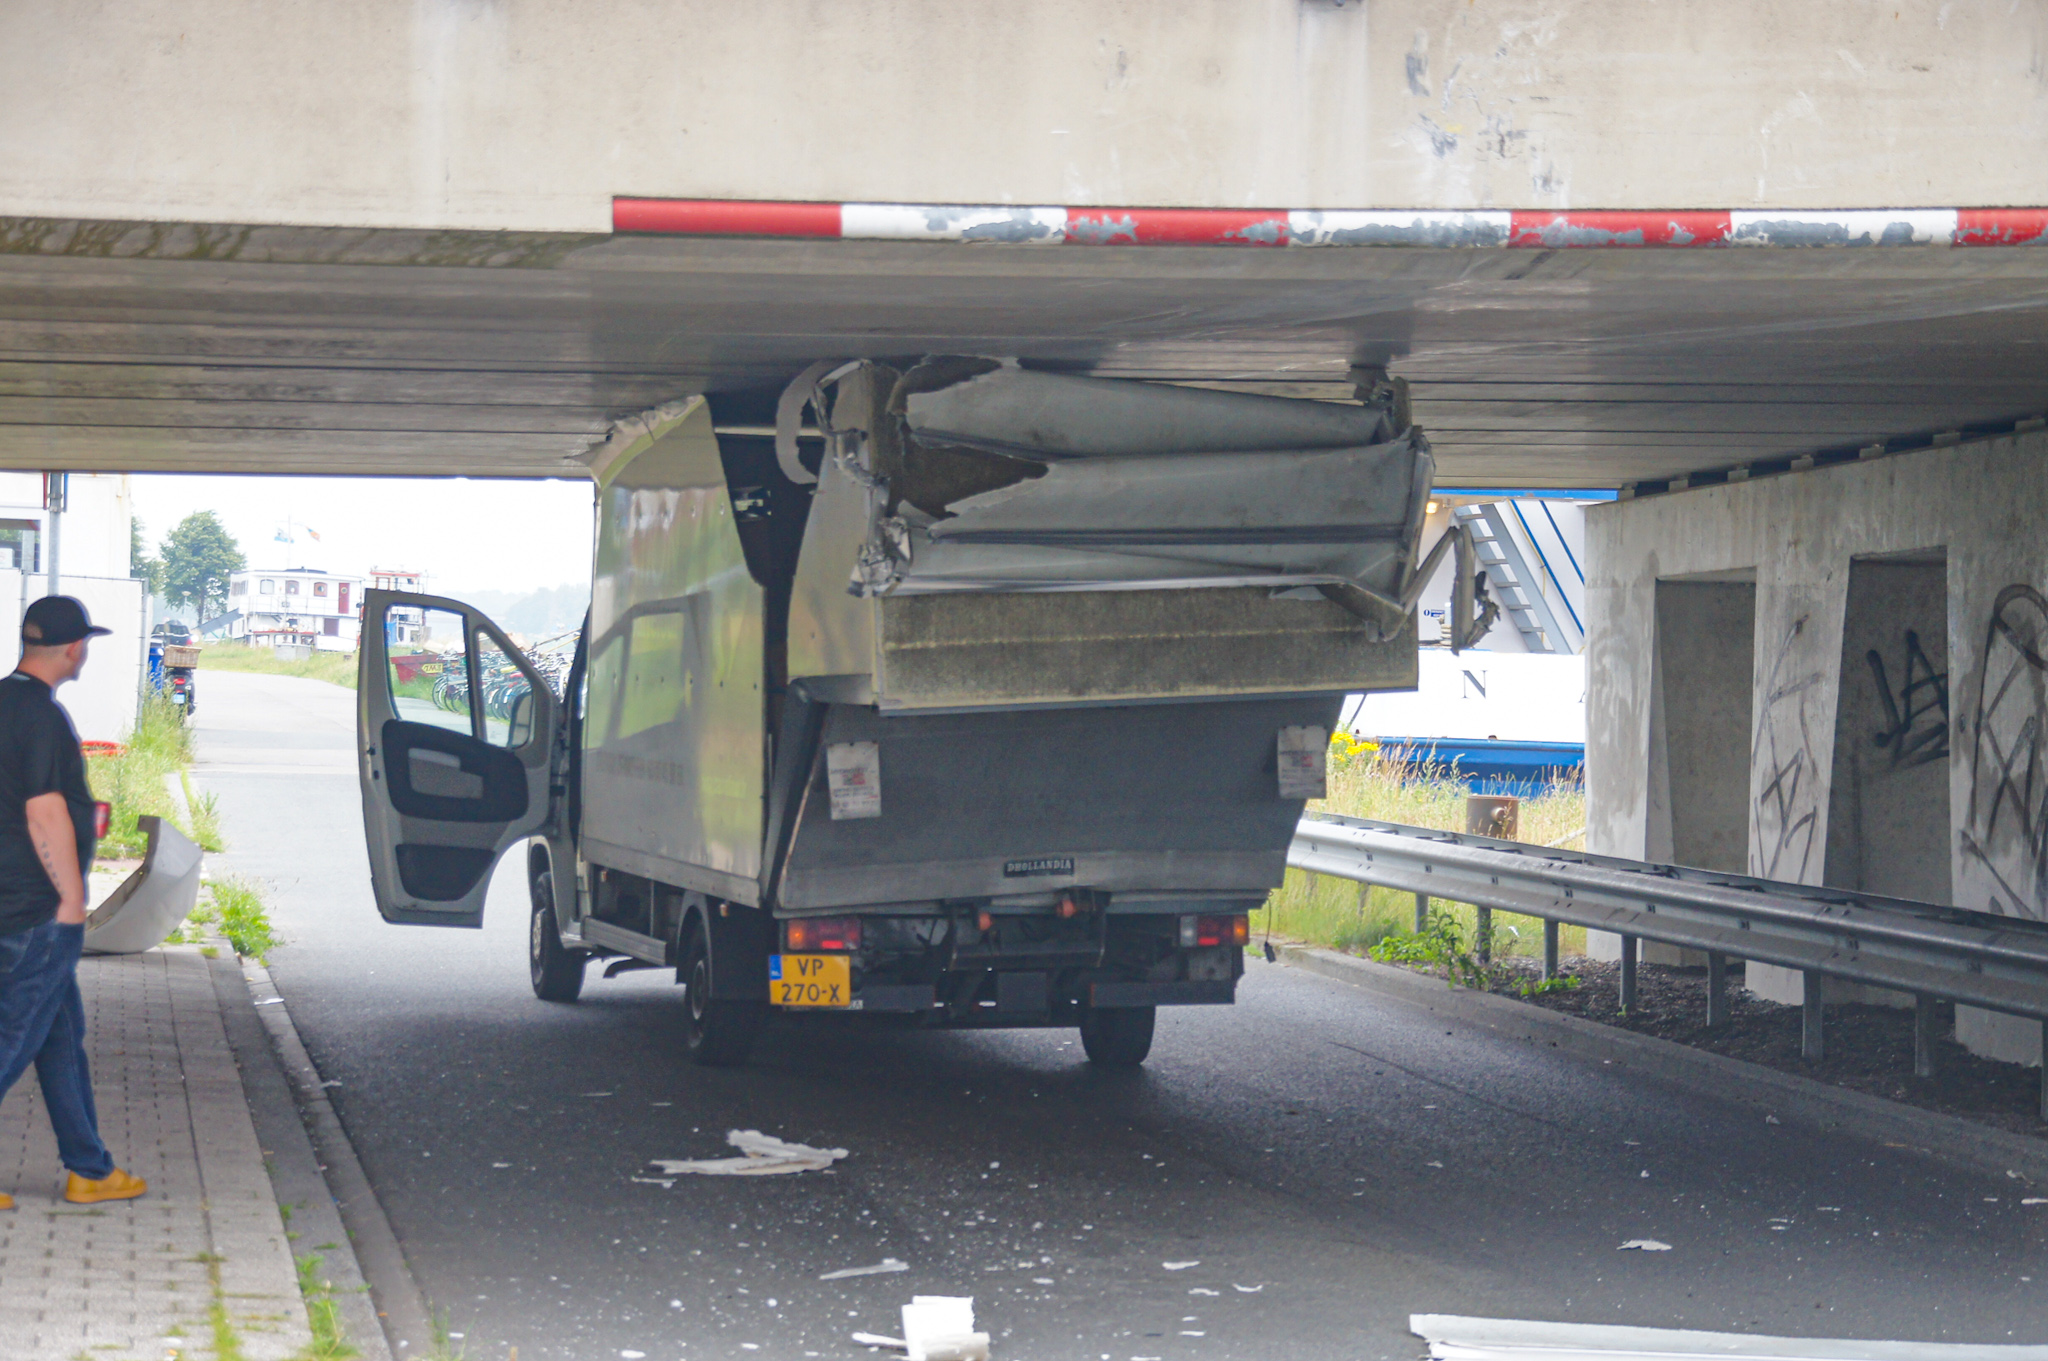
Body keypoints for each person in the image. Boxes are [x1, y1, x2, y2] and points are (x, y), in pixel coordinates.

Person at [0, 595, 146, 1209]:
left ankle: (89, 1167)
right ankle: (89, 1166)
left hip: (7, 896)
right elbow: (45, 809)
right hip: (34, 907)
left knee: (58, 1034)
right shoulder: (42, 718)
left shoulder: (3, 703)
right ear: (73, 648)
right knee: (13, 1037)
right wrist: (72, 898)